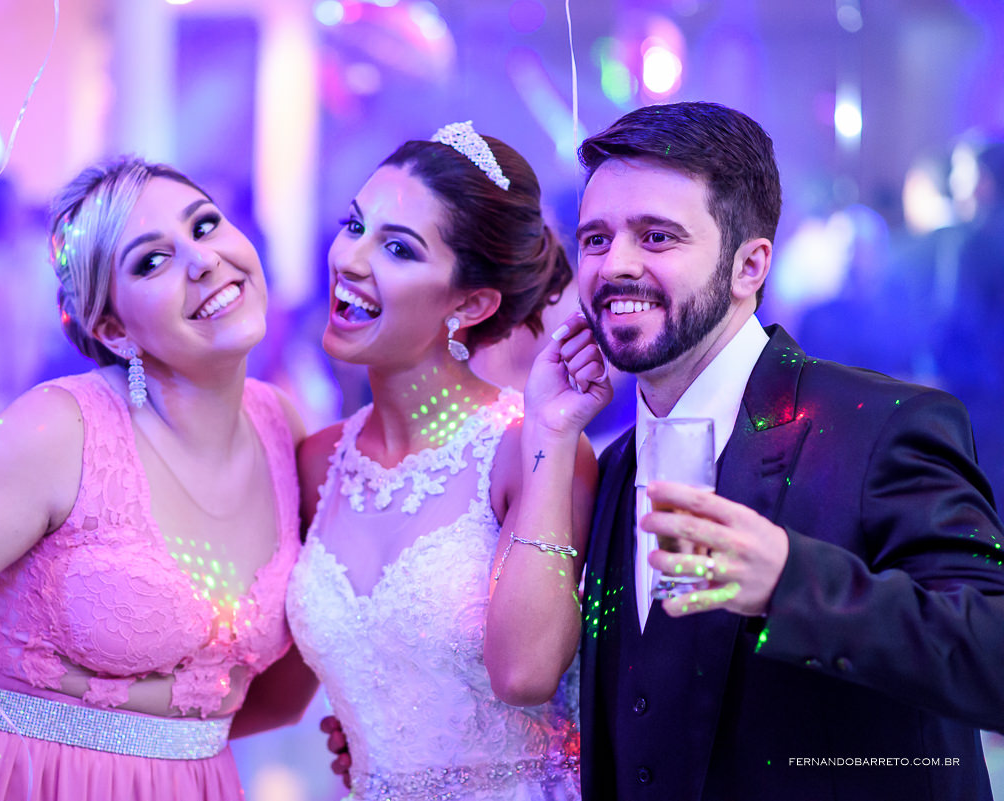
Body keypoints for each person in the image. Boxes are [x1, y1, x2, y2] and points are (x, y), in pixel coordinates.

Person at [527, 100, 1004, 800]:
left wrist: (791, 581)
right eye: (596, 239)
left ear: (750, 265)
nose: (614, 265)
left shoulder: (883, 426)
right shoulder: (614, 464)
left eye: (656, 237)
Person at [0, 156, 317, 800]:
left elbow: (273, 695)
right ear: (112, 328)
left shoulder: (284, 428)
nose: (202, 261)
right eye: (151, 261)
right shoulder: (58, 433)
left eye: (205, 225)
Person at [285, 121, 609, 801]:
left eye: (398, 248)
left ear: (470, 303)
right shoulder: (318, 463)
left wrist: (550, 432)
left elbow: (525, 673)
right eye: (355, 225)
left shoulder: (534, 451)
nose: (349, 258)